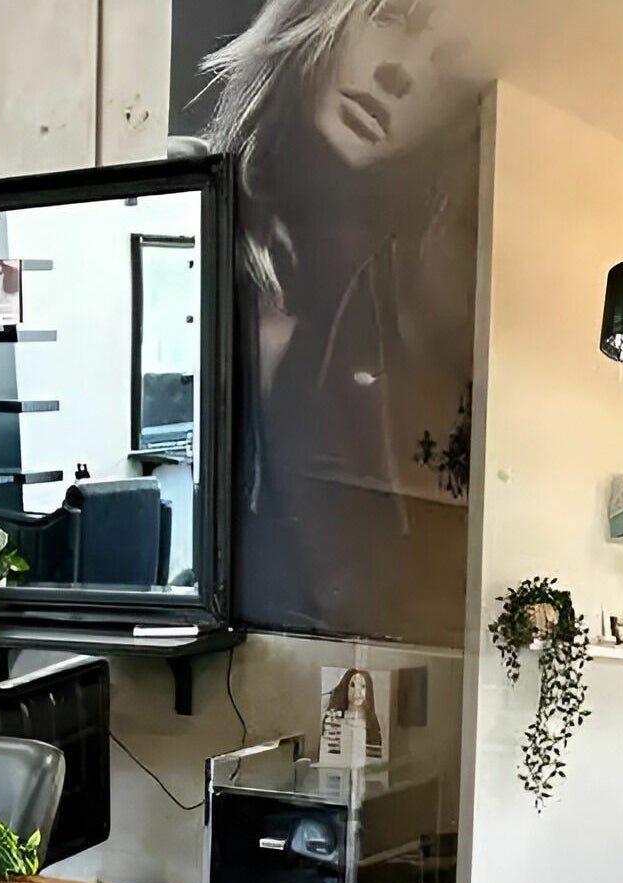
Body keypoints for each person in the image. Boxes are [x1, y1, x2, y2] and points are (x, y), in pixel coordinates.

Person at [185, 0, 481, 642]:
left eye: (449, 64)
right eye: (394, 14)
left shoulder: (391, 306)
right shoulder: (187, 200)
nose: (400, 76)